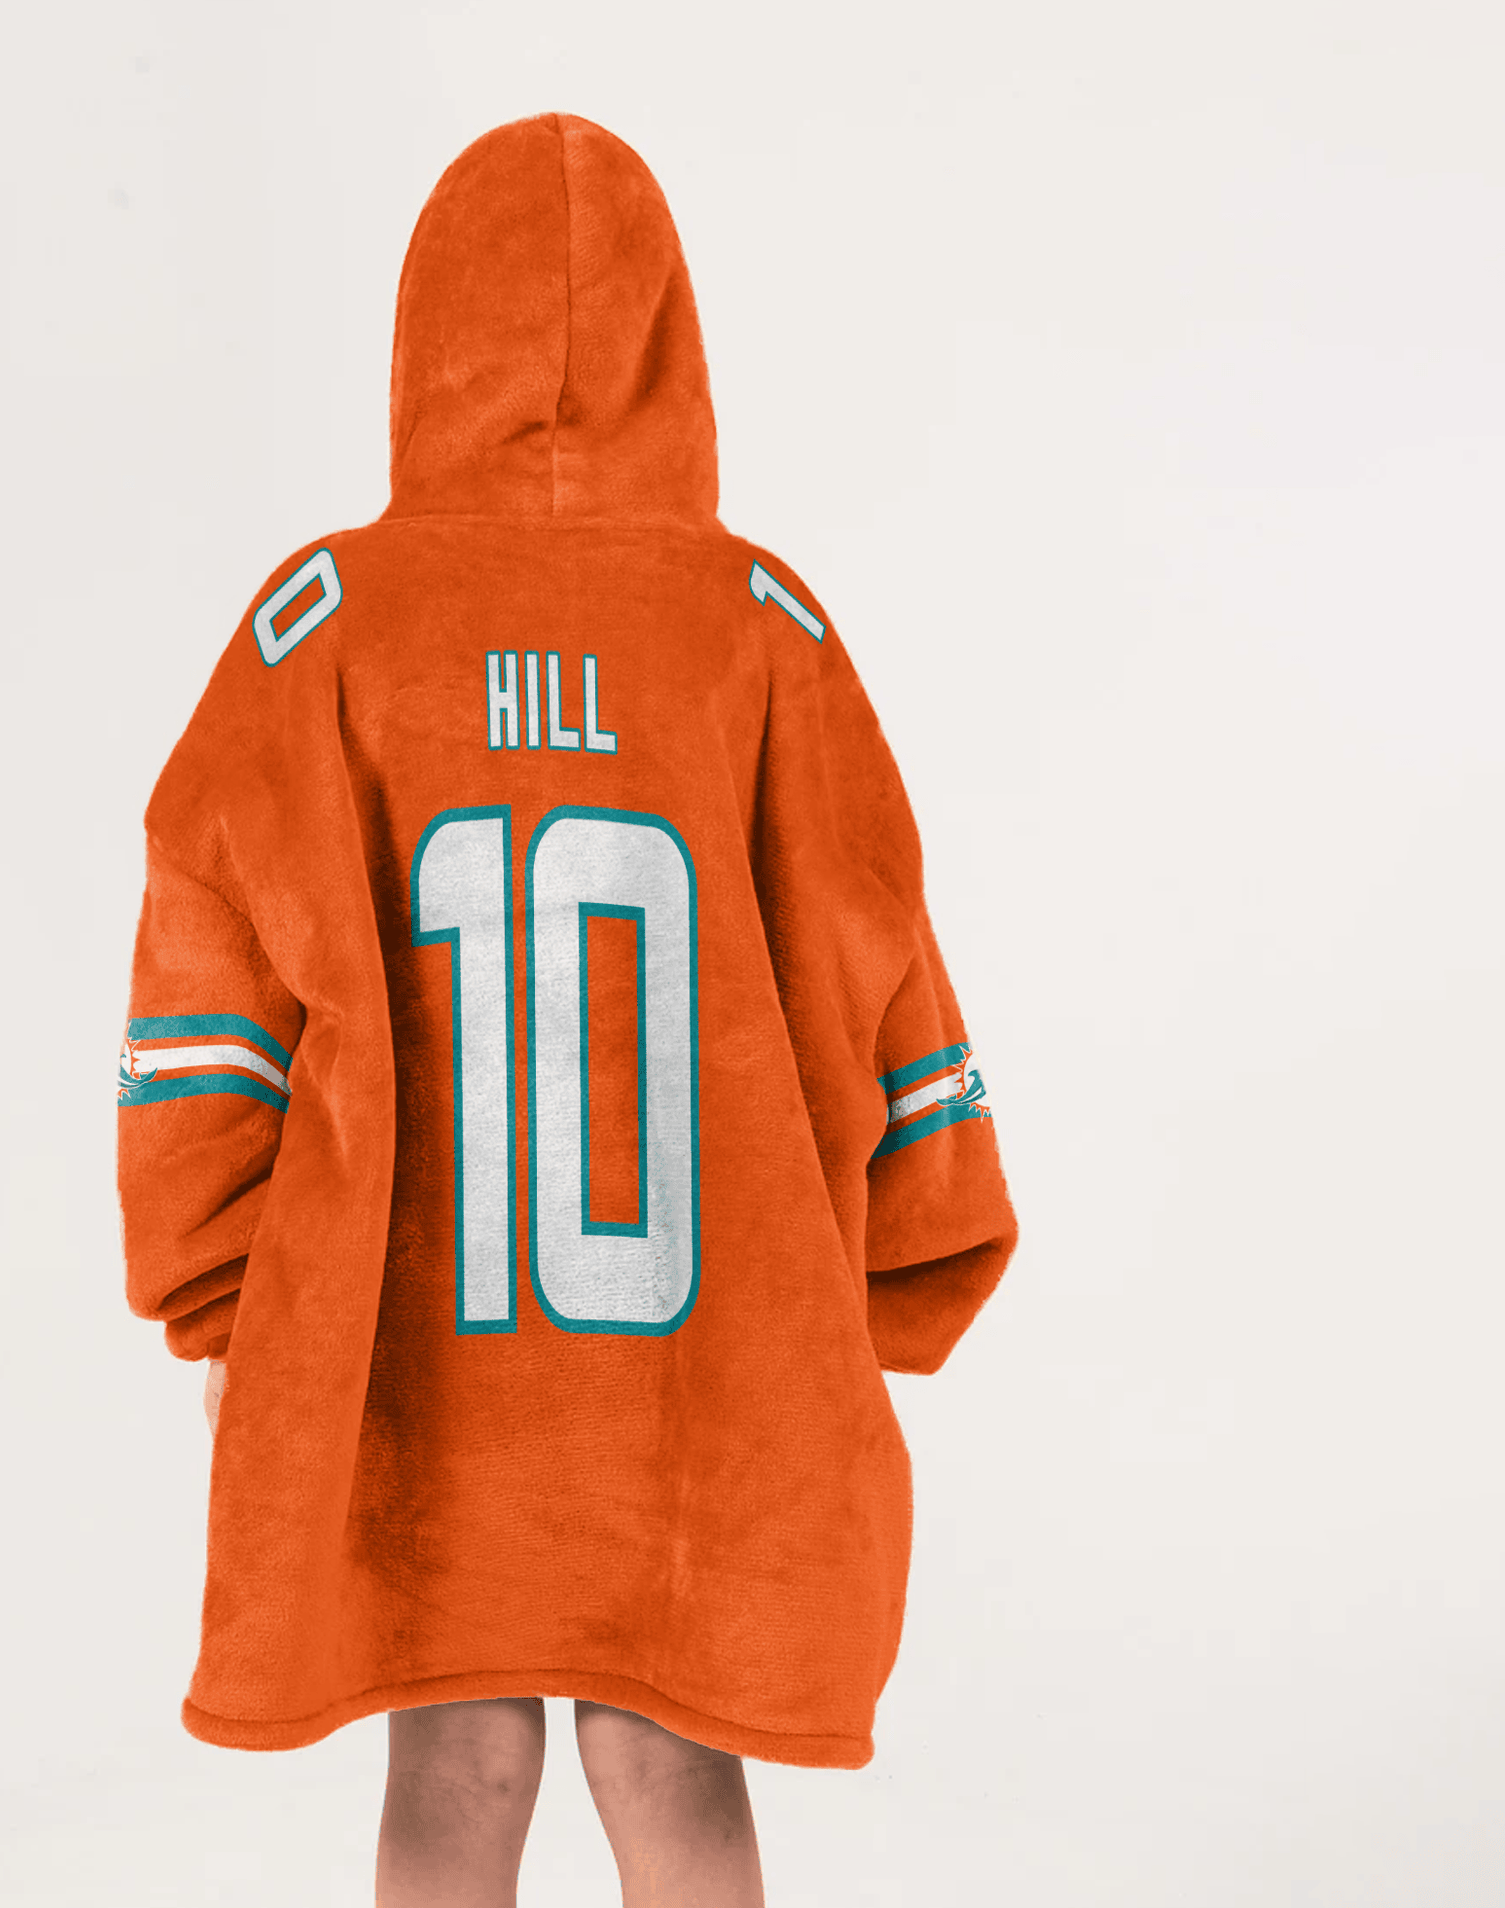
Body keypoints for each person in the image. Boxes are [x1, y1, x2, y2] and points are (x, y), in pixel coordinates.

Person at [120, 111, 1017, 1908]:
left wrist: (220, 1291)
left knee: (450, 1756)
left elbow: (207, 959)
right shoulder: (762, 628)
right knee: (669, 1752)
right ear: (671, 339)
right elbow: (873, 938)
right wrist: (898, 1261)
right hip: (701, 1345)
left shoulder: (322, 623)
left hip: (418, 1342)